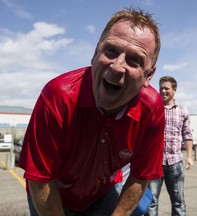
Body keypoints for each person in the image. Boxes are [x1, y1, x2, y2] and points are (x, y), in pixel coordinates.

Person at [19, 7, 165, 216]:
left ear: (148, 76)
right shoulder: (57, 96)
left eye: (134, 59)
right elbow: (40, 179)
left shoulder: (151, 109)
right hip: (51, 194)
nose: (117, 67)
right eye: (111, 51)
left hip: (101, 195)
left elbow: (141, 176)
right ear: (95, 53)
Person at [146, 76, 193, 216]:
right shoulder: (153, 107)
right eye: (161, 88)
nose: (163, 91)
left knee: (178, 201)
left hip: (175, 163)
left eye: (166, 88)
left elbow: (187, 134)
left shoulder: (182, 110)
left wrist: (189, 156)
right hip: (155, 163)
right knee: (151, 202)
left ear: (174, 90)